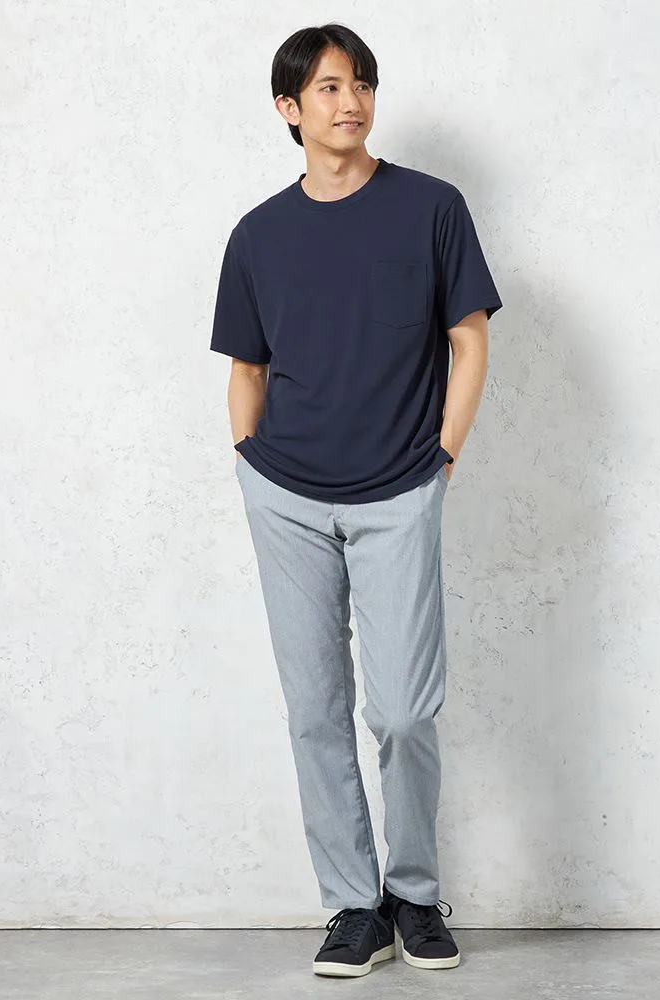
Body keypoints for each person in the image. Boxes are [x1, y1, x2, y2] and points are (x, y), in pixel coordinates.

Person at [210, 22, 503, 978]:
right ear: (289, 109)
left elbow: (469, 338)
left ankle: (413, 893)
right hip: (285, 497)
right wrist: (249, 463)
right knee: (314, 709)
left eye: (363, 83)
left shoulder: (430, 208)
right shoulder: (257, 234)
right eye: (331, 87)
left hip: (400, 490)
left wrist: (443, 456)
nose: (353, 101)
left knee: (405, 711)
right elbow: (246, 367)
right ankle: (351, 905)